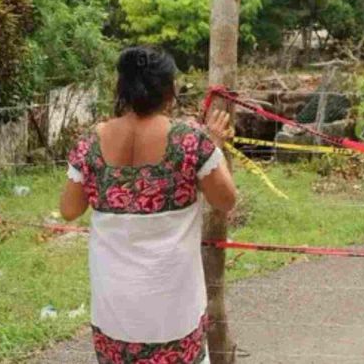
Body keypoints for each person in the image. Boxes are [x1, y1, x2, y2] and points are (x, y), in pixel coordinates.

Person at [60, 47, 238, 364]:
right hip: (174, 309)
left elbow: (69, 209)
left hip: (115, 309)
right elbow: (226, 200)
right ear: (169, 91)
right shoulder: (190, 141)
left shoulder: (90, 143)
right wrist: (214, 145)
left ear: (122, 88)